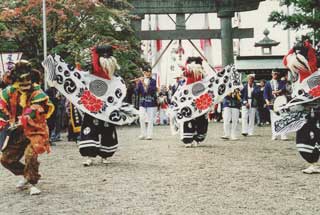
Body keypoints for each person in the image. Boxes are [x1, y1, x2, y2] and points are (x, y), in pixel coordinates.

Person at [0, 60, 54, 195]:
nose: (25, 84)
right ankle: (26, 174)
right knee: (6, 159)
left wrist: (23, 119)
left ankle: (32, 182)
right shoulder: (9, 92)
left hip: (35, 129)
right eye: (21, 81)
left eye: (27, 80)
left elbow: (36, 108)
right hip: (16, 132)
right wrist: (6, 121)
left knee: (30, 155)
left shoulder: (37, 91)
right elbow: (1, 107)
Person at [78, 45, 120, 166]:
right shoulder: (94, 70)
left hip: (107, 105)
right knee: (91, 128)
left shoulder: (113, 75)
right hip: (94, 105)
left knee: (107, 130)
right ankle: (90, 156)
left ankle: (105, 154)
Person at [180, 57, 209, 147]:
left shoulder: (194, 72)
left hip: (196, 99)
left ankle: (190, 139)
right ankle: (195, 139)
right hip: (197, 99)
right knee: (197, 119)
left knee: (192, 118)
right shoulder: (201, 73)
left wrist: (183, 66)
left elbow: (185, 72)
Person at [263, 69, 288, 141]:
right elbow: (265, 93)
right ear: (272, 74)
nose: (275, 75)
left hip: (280, 102)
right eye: (274, 74)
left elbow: (284, 88)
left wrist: (278, 91)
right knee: (273, 118)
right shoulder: (268, 83)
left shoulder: (282, 82)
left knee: (282, 117)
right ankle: (274, 134)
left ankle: (283, 134)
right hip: (272, 102)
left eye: (277, 74)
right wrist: (267, 101)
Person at [135, 65, 157, 140]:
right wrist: (138, 84)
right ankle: (143, 133)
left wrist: (144, 83)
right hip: (142, 102)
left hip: (151, 102)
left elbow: (152, 90)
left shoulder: (153, 80)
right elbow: (137, 92)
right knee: (141, 117)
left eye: (150, 71)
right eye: (147, 72)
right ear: (144, 72)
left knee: (150, 119)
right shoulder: (140, 81)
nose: (149, 73)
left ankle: (149, 134)